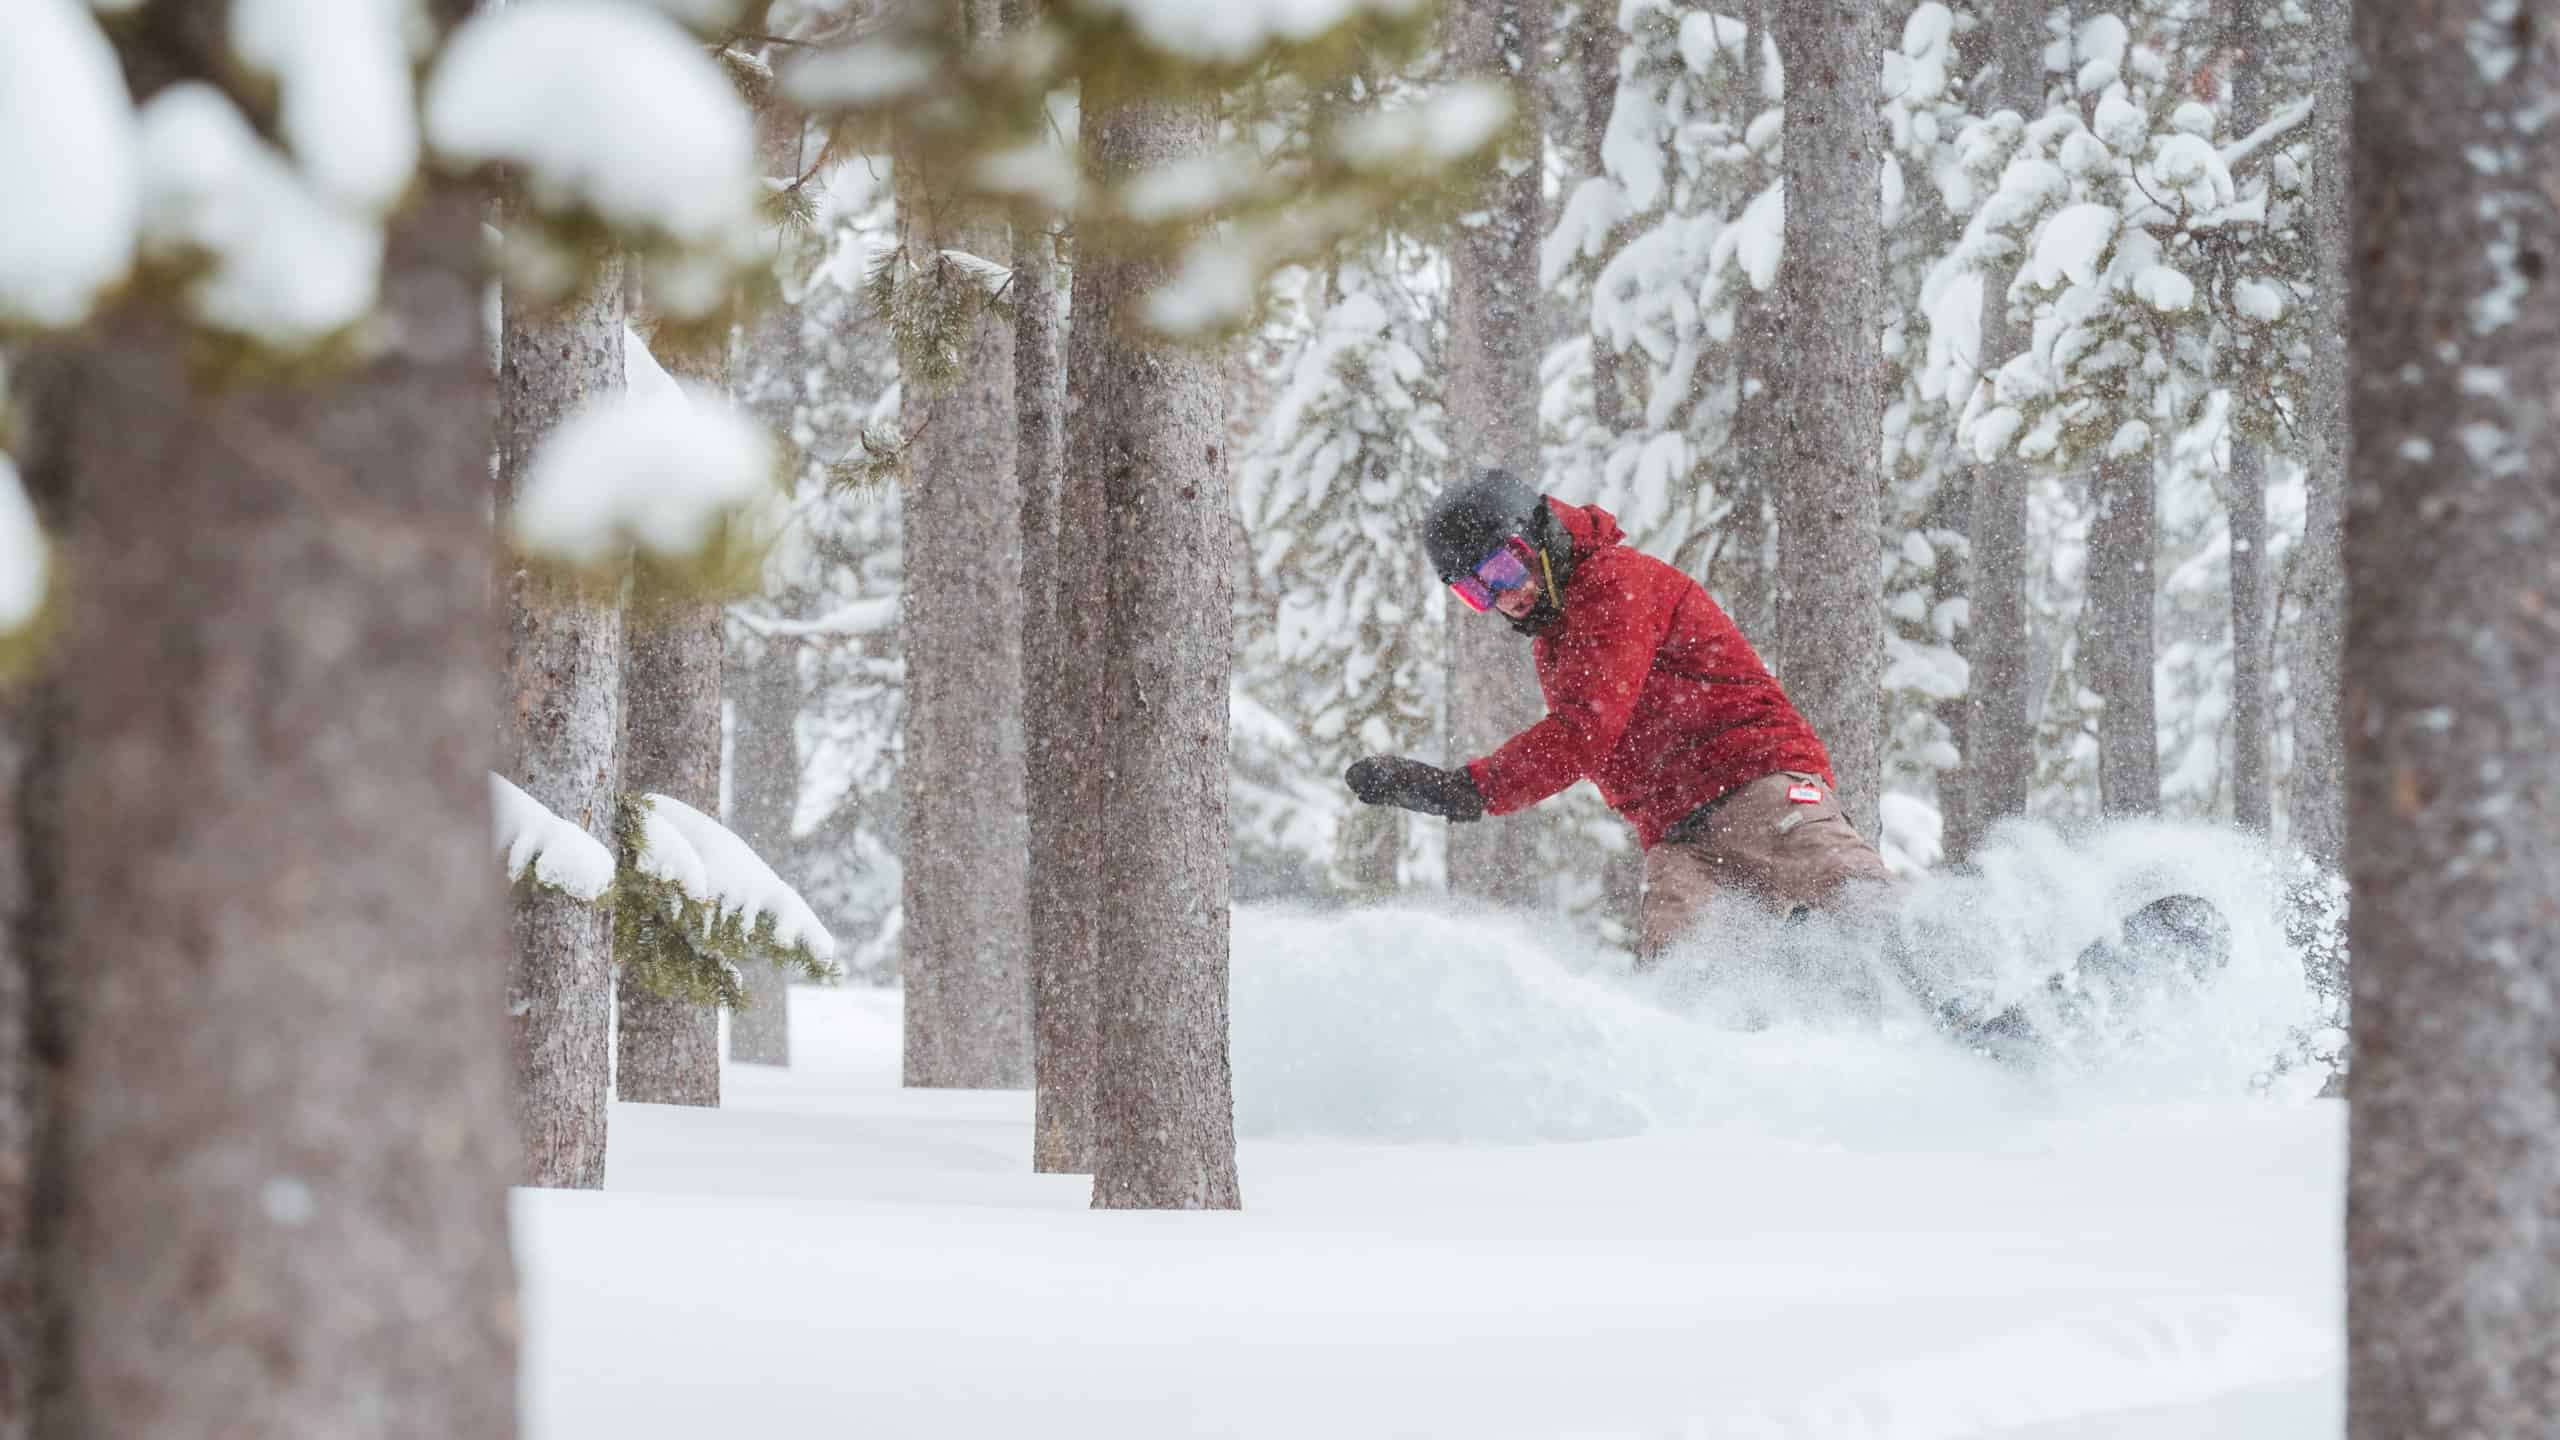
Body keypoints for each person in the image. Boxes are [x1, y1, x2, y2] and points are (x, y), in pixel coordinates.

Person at [1342, 469, 1899, 960]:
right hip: (1680, 837)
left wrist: (1466, 790)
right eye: (1475, 590)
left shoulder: (1615, 584)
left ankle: (1963, 1004)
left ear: (1534, 535)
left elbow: (1585, 730)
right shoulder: (1553, 634)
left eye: (1503, 569)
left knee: (1856, 903)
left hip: (1756, 786)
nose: (1502, 596)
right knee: (1683, 983)